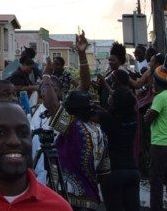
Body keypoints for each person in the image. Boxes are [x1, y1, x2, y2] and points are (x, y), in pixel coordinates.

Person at [39, 32, 107, 211]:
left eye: (54, 88)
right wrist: (82, 54)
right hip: (91, 198)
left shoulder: (71, 125)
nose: (50, 91)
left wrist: (45, 76)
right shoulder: (99, 131)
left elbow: (52, 103)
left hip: (67, 199)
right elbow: (104, 172)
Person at [142, 66, 167, 211]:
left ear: (156, 81)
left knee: (156, 181)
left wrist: (147, 114)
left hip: (160, 144)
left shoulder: (159, 97)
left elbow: (148, 119)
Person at [97, 87, 140, 211]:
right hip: (132, 171)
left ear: (115, 103)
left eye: (112, 96)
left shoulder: (107, 119)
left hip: (113, 172)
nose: (109, 96)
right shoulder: (133, 121)